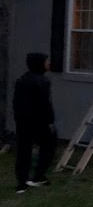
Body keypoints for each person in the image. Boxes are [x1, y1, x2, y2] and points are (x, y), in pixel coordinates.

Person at [13, 53, 56, 194]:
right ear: (40, 64)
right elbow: (45, 105)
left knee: (23, 151)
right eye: (46, 61)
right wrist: (50, 122)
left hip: (23, 121)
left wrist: (19, 119)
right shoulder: (42, 81)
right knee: (49, 146)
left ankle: (22, 183)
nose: (49, 63)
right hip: (39, 122)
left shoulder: (22, 79)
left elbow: (16, 102)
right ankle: (38, 176)